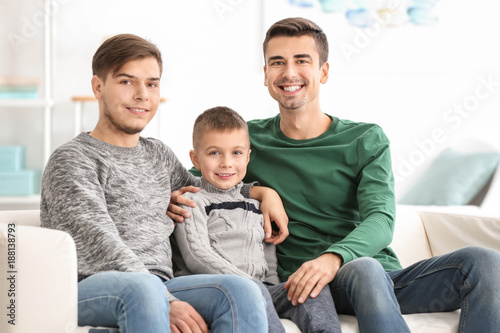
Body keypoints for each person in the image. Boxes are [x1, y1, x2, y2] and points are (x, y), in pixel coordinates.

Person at [169, 17, 500, 332]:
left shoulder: (365, 139)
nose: (289, 72)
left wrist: (332, 258)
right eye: (277, 62)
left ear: (323, 71)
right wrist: (259, 192)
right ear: (266, 73)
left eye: (302, 60)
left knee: (484, 261)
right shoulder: (245, 142)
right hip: (315, 286)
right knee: (364, 268)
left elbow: (382, 220)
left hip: (381, 279)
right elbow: (200, 179)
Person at [40, 33, 285, 333]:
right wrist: (165, 300)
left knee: (241, 291)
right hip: (87, 286)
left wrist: (262, 192)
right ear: (98, 87)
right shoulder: (73, 159)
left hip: (161, 283)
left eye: (152, 83)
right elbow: (101, 244)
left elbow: (210, 187)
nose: (142, 94)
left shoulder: (158, 155)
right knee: (142, 292)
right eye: (127, 81)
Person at [172, 106, 341, 333]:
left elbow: (268, 257)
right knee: (255, 292)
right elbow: (197, 257)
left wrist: (272, 284)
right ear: (196, 158)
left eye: (236, 153)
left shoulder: (258, 204)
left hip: (262, 286)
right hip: (219, 288)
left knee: (311, 290)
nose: (226, 163)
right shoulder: (192, 200)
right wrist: (250, 284)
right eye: (214, 153)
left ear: (248, 156)